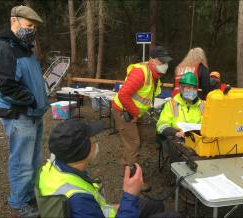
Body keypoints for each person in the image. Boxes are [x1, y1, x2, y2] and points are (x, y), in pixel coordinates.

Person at [36, 119, 183, 218]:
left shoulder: (51, 168)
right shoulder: (78, 201)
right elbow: (84, 206)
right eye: (92, 139)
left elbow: (94, 206)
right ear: (84, 150)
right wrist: (129, 195)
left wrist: (116, 206)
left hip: (99, 211)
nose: (96, 141)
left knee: (154, 205)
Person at [0, 5, 48, 217]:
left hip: (33, 114)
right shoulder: (4, 47)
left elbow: (27, 78)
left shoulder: (23, 46)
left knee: (33, 159)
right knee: (21, 160)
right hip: (19, 115)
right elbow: (6, 85)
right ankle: (19, 201)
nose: (32, 30)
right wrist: (31, 100)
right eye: (29, 25)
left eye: (34, 27)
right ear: (14, 21)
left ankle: (28, 194)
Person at [112, 46, 172, 189]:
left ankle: (128, 164)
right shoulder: (141, 73)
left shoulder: (154, 75)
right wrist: (135, 113)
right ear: (151, 60)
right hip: (123, 111)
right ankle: (134, 183)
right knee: (134, 143)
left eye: (166, 62)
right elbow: (123, 95)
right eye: (161, 61)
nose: (165, 65)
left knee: (141, 138)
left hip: (133, 112)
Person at [157, 72, 203, 163]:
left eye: (194, 88)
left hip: (197, 139)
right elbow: (161, 125)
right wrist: (175, 132)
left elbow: (207, 123)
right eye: (188, 87)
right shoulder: (173, 104)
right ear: (181, 88)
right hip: (177, 139)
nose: (191, 90)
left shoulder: (202, 105)